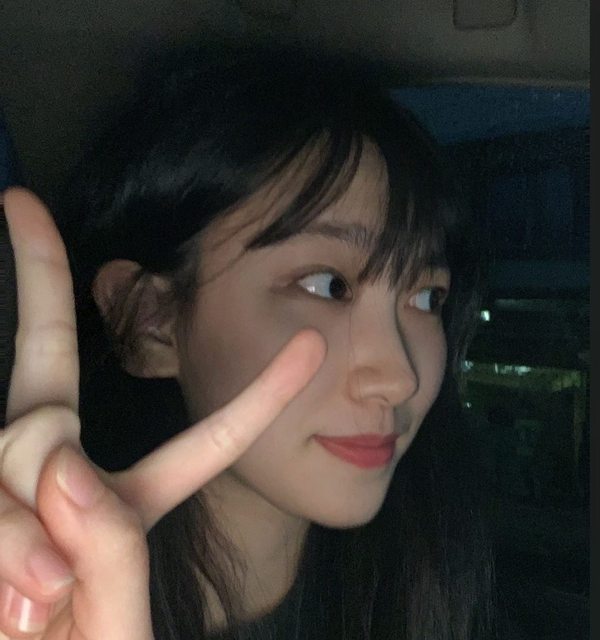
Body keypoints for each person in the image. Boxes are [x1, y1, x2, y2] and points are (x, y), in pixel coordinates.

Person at [0, 45, 496, 639]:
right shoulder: (40, 604)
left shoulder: (438, 589)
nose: (400, 377)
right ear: (152, 320)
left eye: (427, 298)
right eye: (328, 285)